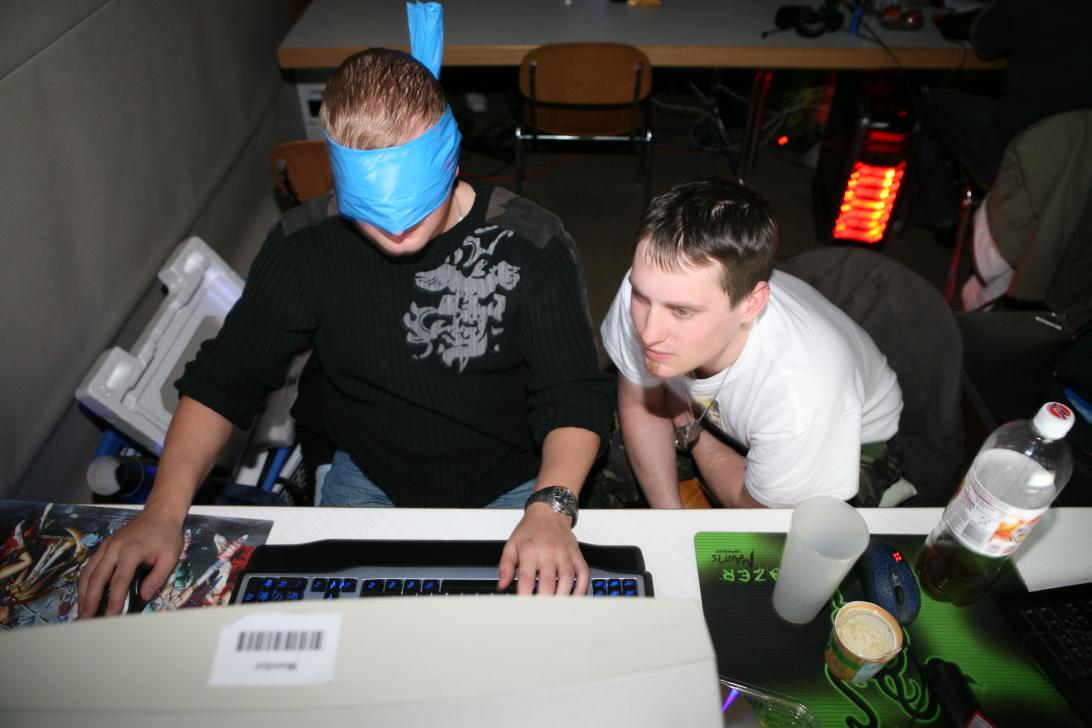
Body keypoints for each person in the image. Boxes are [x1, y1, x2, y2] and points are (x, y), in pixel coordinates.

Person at [78, 9, 612, 617]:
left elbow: (572, 394)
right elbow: (226, 378)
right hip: (369, 470)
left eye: (415, 210)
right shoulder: (304, 244)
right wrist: (163, 510)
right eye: (373, 216)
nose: (397, 233)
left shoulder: (532, 244)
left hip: (510, 475)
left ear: (451, 159)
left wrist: (552, 507)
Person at [600, 177, 903, 509]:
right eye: (641, 296)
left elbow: (753, 511)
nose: (648, 332)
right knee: (595, 442)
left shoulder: (800, 394)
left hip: (843, 443)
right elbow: (637, 404)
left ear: (751, 304)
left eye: (682, 311)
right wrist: (670, 517)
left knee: (775, 540)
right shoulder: (652, 285)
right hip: (715, 415)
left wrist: (691, 431)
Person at [910, 0, 1092, 235]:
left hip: (1016, 155)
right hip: (1077, 163)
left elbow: (983, 41)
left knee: (934, 102)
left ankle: (938, 214)